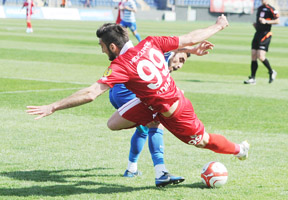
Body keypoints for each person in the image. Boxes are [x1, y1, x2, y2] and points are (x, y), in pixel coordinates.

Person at [26, 15, 250, 187]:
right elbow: (190, 37)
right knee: (112, 124)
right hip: (151, 105)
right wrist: (218, 25)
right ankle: (155, 160)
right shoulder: (151, 42)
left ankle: (239, 149)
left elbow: (91, 93)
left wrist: (52, 106)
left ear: (113, 46)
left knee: (204, 141)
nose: (102, 51)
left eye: (102, 47)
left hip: (176, 110)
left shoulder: (121, 65)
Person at [111, 41, 213, 187]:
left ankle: (131, 169)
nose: (179, 65)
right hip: (126, 93)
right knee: (156, 122)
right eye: (181, 59)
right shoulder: (162, 55)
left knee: (143, 129)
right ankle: (160, 173)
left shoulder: (164, 61)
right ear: (177, 51)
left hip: (118, 92)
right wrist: (192, 49)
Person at [244, 0, 279, 85]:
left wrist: (266, 21)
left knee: (260, 56)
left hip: (265, 34)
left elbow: (277, 21)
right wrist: (256, 25)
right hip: (257, 33)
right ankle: (252, 78)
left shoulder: (271, 9)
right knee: (253, 55)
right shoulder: (260, 8)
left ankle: (271, 71)